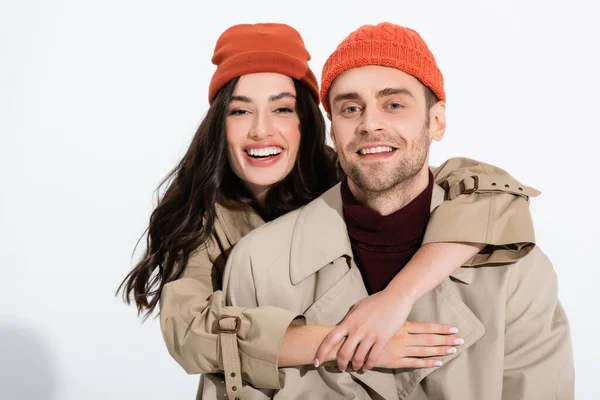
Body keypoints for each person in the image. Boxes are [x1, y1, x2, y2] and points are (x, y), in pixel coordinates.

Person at [118, 23, 540, 399]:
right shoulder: (203, 217)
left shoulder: (357, 166)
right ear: (218, 124)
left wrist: (395, 299)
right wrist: (360, 341)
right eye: (239, 110)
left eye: (282, 108)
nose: (260, 129)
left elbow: (490, 194)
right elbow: (193, 334)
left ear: (309, 120)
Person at [221, 22, 574, 399]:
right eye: (351, 108)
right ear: (332, 130)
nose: (370, 124)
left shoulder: (515, 273)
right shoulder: (256, 264)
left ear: (437, 121)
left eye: (393, 105)